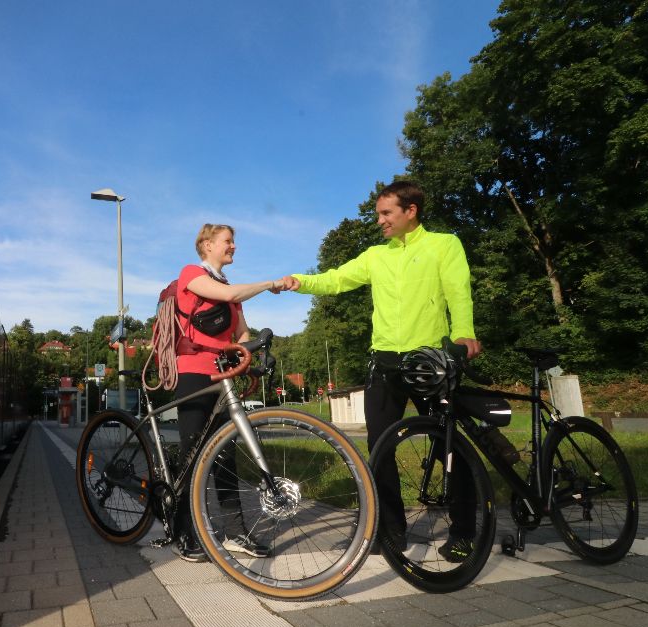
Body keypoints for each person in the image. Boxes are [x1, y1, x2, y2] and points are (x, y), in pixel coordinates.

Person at [278, 180, 483, 562]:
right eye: (378, 215)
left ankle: (464, 531)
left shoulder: (444, 244)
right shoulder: (376, 255)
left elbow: (459, 290)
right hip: (385, 363)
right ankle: (390, 531)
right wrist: (299, 281)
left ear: (411, 211)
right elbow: (337, 278)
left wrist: (464, 333)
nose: (380, 221)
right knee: (380, 448)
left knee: (448, 446)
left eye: (386, 213)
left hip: (430, 361)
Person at [172, 223, 282, 562]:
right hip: (193, 373)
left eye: (234, 242)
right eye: (228, 241)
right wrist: (270, 284)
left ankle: (235, 533)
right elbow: (231, 297)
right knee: (194, 455)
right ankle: (186, 532)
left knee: (225, 456)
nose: (233, 246)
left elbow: (240, 331)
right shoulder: (191, 274)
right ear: (207, 245)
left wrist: (253, 351)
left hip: (223, 375)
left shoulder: (226, 286)